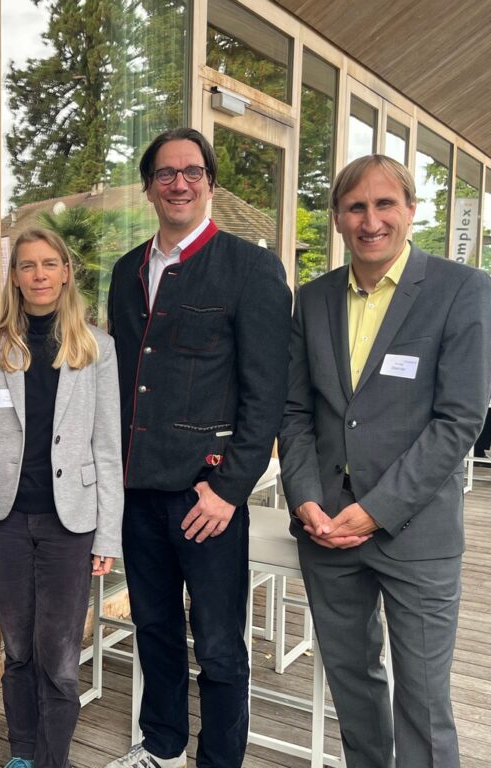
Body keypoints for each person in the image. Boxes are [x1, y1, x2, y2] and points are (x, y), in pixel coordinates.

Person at [279, 154, 491, 768]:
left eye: (384, 204)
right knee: (353, 689)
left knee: (424, 703)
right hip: (327, 528)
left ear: (410, 210)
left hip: (415, 533)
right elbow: (295, 412)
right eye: (356, 207)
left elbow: (459, 420)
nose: (370, 221)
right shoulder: (313, 299)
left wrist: (378, 509)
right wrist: (304, 496)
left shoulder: (462, 289)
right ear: (337, 218)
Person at [104, 128, 292, 768]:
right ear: (149, 187)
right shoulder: (126, 271)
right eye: (165, 173)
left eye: (192, 172)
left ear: (210, 182)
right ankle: (162, 747)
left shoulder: (251, 268)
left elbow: (266, 394)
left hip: (206, 496)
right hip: (138, 493)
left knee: (217, 644)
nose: (179, 183)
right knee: (153, 628)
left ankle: (220, 760)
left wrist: (230, 490)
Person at [0, 228, 123, 768]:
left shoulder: (96, 348)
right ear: (15, 276)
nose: (39, 275)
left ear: (66, 272)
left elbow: (107, 448)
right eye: (27, 265)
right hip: (2, 520)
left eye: (50, 264)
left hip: (69, 524)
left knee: (60, 656)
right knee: (19, 648)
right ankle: (23, 753)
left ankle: (54, 759)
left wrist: (108, 535)